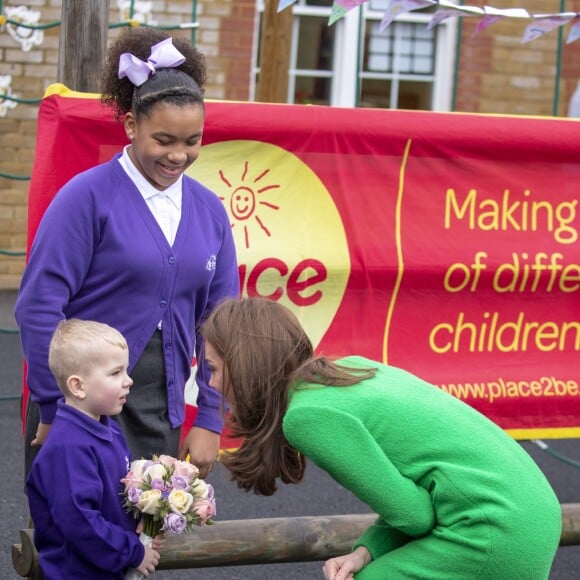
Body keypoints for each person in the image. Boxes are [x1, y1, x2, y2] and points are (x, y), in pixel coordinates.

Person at [200, 297, 562, 580]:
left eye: (214, 369)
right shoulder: (350, 369)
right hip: (535, 511)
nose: (212, 384)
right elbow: (418, 497)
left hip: (494, 531)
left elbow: (414, 515)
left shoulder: (306, 418)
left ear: (245, 364)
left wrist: (367, 553)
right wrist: (366, 550)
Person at [15, 27, 239, 479]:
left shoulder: (210, 212)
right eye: (164, 140)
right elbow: (38, 307)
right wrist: (55, 409)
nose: (178, 155)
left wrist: (212, 419)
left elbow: (224, 326)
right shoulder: (86, 198)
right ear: (132, 126)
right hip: (79, 408)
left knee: (145, 545)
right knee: (73, 542)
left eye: (191, 141)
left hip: (160, 411)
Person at [26, 319, 162, 579]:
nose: (128, 380)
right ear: (78, 386)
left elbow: (124, 487)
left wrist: (143, 515)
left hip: (106, 568)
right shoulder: (68, 447)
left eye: (126, 370)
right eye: (115, 373)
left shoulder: (107, 427)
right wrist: (132, 552)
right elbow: (80, 522)